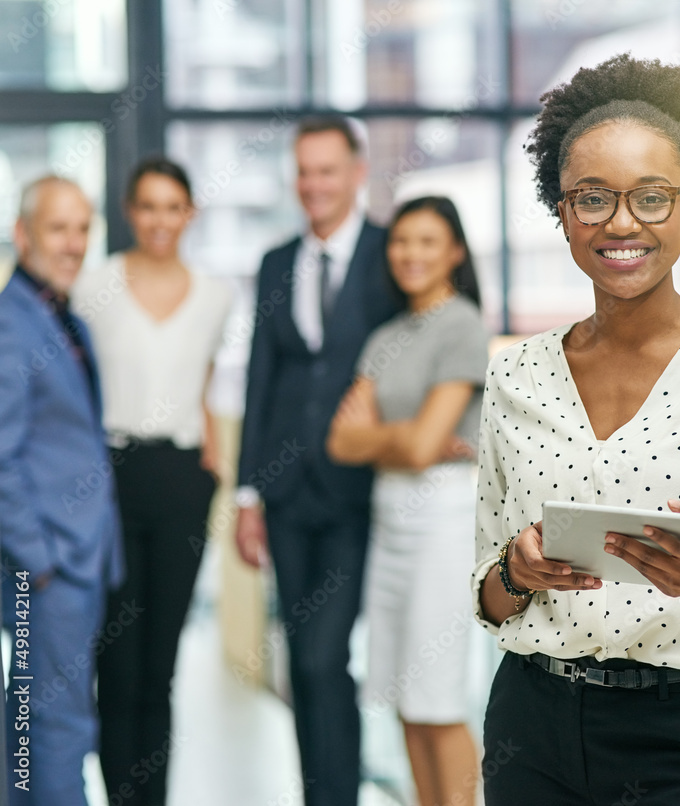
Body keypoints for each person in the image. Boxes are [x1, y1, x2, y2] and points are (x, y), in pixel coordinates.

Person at [472, 54, 680, 805]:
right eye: (592, 198)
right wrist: (516, 573)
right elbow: (488, 594)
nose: (622, 222)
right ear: (562, 212)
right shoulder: (516, 375)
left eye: (652, 198)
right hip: (530, 725)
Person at [234, 116, 406, 806]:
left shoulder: (390, 254)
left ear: (358, 173)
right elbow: (260, 377)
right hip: (284, 495)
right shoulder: (277, 261)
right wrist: (248, 495)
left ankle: (340, 794)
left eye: (327, 170)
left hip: (356, 495)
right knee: (303, 666)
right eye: (304, 171)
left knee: (322, 655)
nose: (313, 185)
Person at [70, 157, 233, 805]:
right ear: (130, 213)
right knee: (117, 664)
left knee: (159, 670)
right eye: (148, 207)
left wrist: (215, 467)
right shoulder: (94, 286)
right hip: (109, 480)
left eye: (173, 207)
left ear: (189, 214)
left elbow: (202, 386)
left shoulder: (216, 295)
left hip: (181, 483)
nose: (160, 220)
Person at [327, 196, 488, 806]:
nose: (410, 254)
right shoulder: (384, 336)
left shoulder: (463, 324)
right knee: (402, 698)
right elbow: (343, 442)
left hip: (443, 523)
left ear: (454, 252)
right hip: (389, 519)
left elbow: (422, 448)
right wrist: (406, 438)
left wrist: (393, 440)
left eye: (427, 241)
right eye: (400, 241)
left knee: (439, 700)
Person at [0, 176, 124, 805]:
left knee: (26, 727)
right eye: (58, 228)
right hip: (48, 566)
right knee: (57, 728)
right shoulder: (11, 324)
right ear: (23, 234)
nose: (73, 243)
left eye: (82, 228)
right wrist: (38, 562)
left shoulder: (58, 313)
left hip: (72, 558)